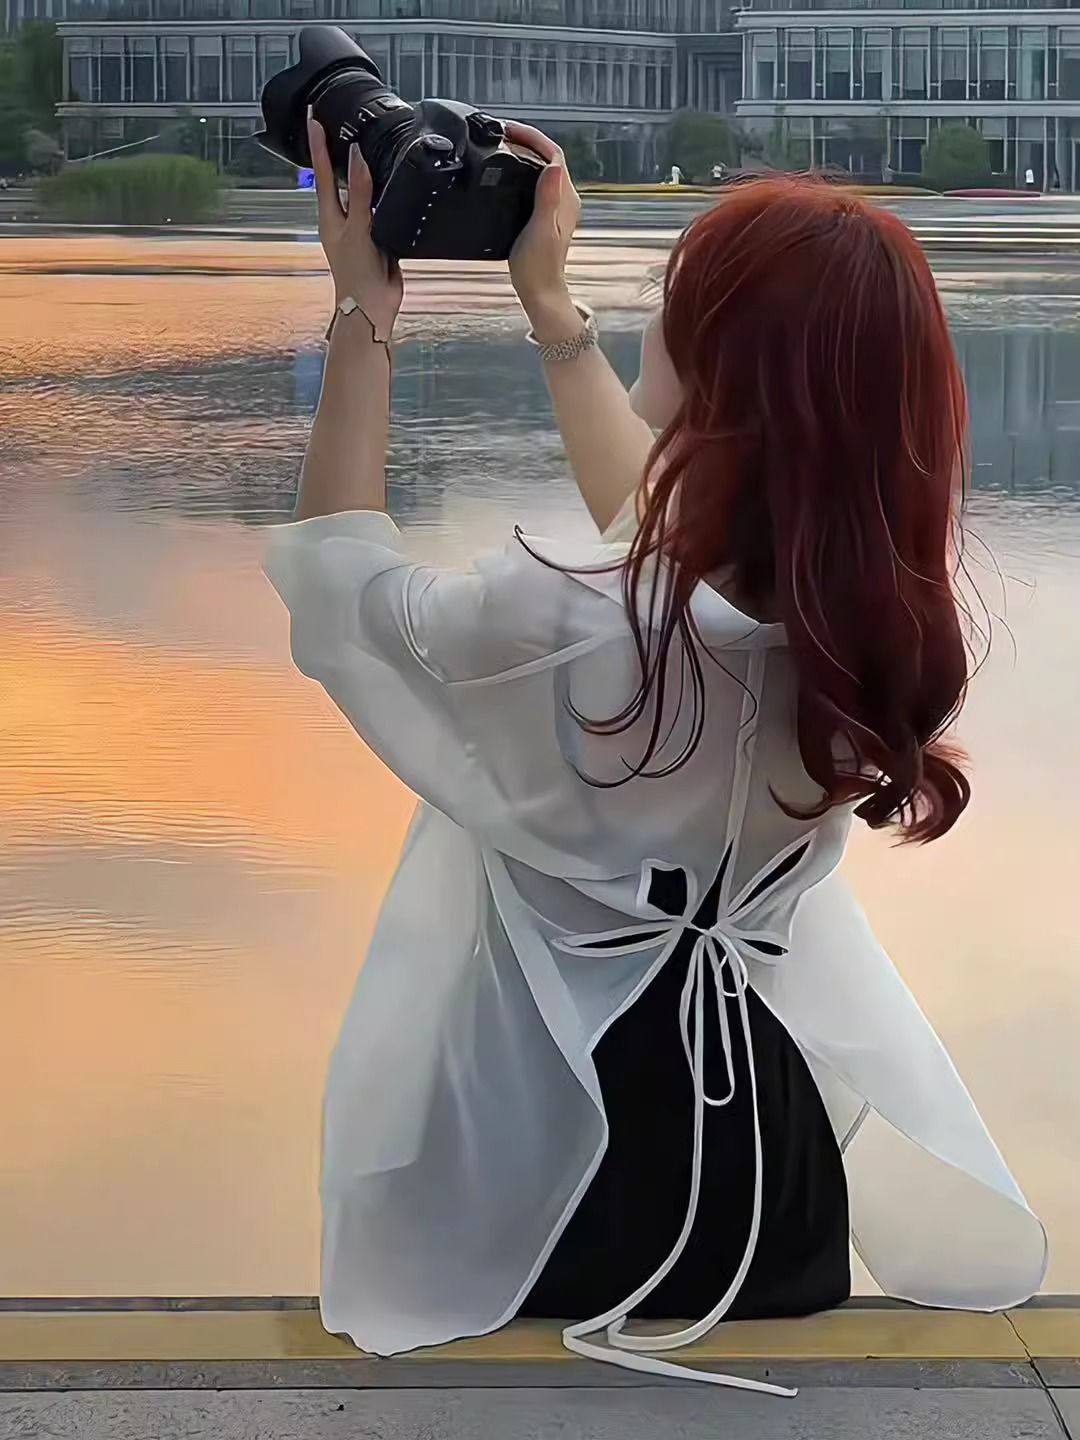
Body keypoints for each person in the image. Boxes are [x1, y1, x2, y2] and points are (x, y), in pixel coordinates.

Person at [264, 119, 1047, 1394]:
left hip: (565, 1170)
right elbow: (664, 552)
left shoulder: (559, 617)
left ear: (719, 366)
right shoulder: (857, 627)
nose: (653, 322)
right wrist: (550, 311)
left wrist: (364, 314)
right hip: (777, 1192)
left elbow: (341, 590)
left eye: (674, 301)